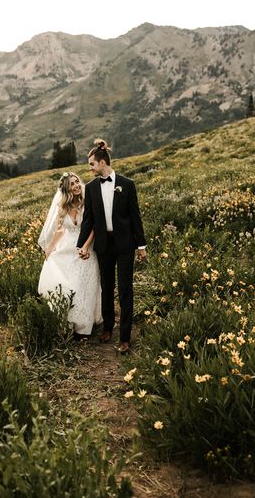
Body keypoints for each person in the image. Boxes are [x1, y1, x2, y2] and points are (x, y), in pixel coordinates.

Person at [77, 139, 146, 354]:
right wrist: (82, 246)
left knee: (126, 290)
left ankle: (125, 337)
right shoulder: (90, 189)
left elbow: (136, 217)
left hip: (125, 244)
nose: (89, 169)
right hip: (104, 245)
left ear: (102, 163)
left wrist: (141, 246)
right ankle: (107, 328)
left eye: (91, 164)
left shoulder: (127, 184)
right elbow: (88, 219)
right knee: (107, 287)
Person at [38, 171, 102, 337]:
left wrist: (86, 247)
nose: (75, 186)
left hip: (85, 248)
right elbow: (60, 230)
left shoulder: (87, 202)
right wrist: (50, 247)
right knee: (69, 285)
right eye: (71, 185)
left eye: (76, 182)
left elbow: (94, 227)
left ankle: (83, 327)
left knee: (85, 285)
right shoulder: (63, 206)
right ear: (66, 190)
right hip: (67, 248)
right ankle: (67, 323)